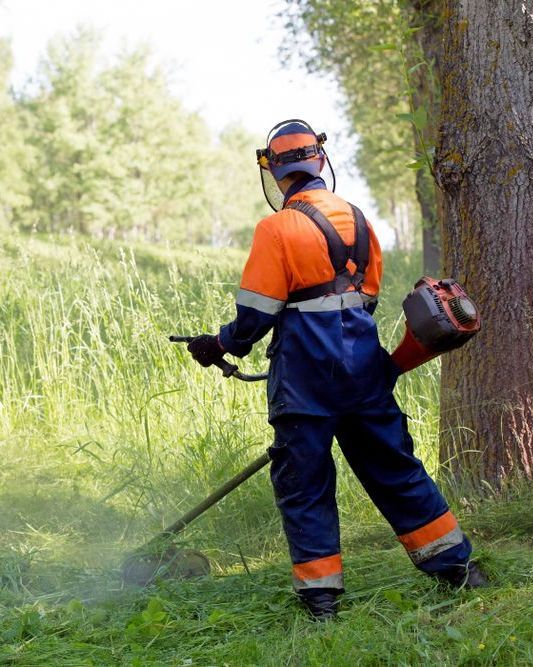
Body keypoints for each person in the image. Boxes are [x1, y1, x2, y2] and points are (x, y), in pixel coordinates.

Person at [187, 120, 486, 620]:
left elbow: (255, 319)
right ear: (320, 162)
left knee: (305, 484)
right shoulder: (359, 220)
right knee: (396, 470)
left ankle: (321, 600)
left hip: (305, 377)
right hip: (365, 368)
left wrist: (217, 344)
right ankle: (458, 569)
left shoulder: (277, 228)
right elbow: (364, 299)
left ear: (277, 173)